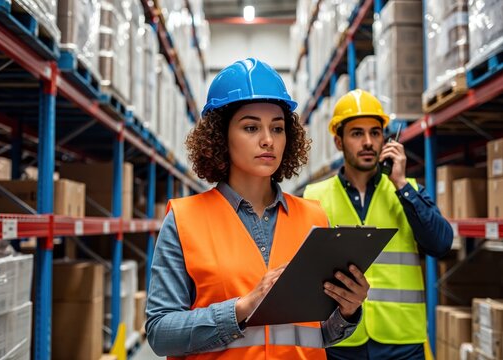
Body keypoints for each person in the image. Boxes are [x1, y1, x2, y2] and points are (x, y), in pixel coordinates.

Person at [145, 58, 370, 359]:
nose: (268, 140)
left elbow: (319, 334)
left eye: (277, 129)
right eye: (251, 127)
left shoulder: (313, 217)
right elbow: (161, 333)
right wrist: (243, 307)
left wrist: (348, 310)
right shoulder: (185, 220)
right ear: (220, 136)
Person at [304, 89, 454, 360]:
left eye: (375, 133)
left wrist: (401, 184)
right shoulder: (314, 197)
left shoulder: (408, 192)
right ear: (339, 142)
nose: (368, 142)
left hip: (402, 340)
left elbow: (441, 244)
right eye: (357, 133)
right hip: (341, 340)